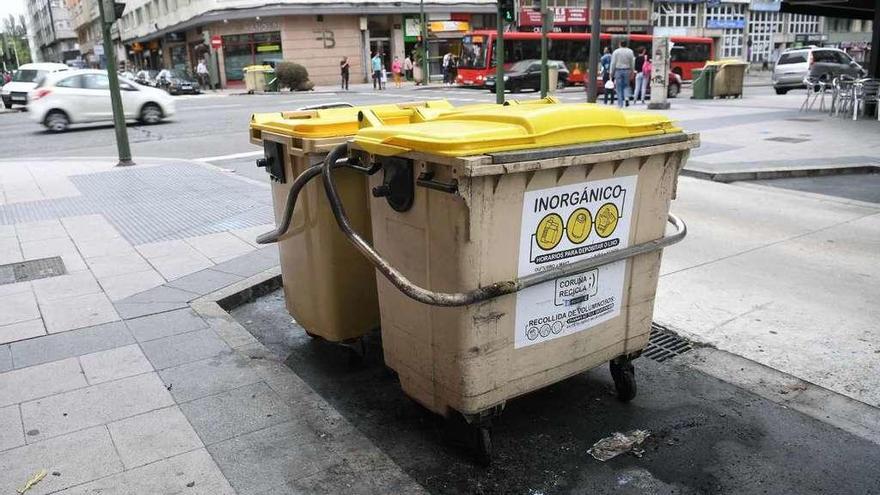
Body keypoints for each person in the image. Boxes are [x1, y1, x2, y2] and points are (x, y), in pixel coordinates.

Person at [610, 40, 635, 108]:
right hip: (627, 70)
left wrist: (611, 72)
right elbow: (632, 62)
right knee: (626, 86)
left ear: (620, 44)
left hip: (618, 70)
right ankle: (626, 98)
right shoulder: (630, 51)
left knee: (619, 87)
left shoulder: (616, 52)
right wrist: (632, 71)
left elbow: (613, 63)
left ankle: (620, 104)